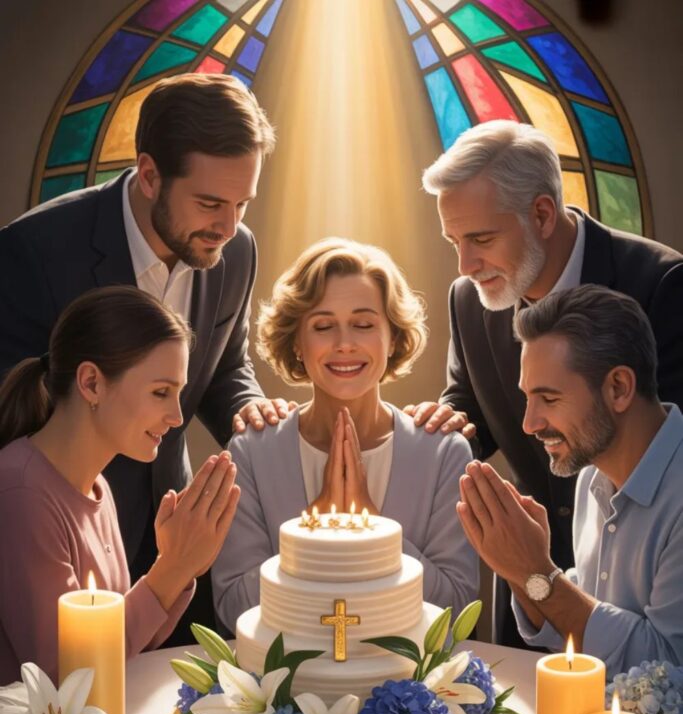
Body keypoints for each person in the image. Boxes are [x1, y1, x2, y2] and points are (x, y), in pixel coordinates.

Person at [0, 73, 281, 583]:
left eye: (243, 205)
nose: (227, 225)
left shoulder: (237, 250)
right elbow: (10, 416)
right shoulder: (32, 252)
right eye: (210, 203)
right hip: (57, 547)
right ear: (149, 175)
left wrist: (249, 409)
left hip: (175, 541)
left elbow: (224, 367)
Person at [421, 119, 683, 642]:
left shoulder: (662, 285)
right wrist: (435, 430)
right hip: (530, 588)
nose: (466, 264)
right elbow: (472, 404)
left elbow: (664, 455)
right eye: (454, 241)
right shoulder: (470, 299)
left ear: (541, 213)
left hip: (649, 581)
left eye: (480, 239)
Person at [211, 238, 479, 635]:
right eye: (323, 326)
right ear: (298, 344)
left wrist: (371, 528)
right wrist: (312, 534)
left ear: (393, 338)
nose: (344, 344)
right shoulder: (251, 451)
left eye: (364, 324)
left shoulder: (443, 452)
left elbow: (455, 612)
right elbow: (233, 610)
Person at [0, 286, 240, 685]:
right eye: (161, 392)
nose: (177, 416)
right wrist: (171, 568)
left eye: (178, 393)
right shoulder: (21, 494)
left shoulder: (97, 487)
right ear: (92, 383)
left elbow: (121, 648)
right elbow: (63, 679)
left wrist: (179, 568)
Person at [457, 285, 683, 677]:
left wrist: (535, 571)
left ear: (619, 388)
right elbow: (591, 625)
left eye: (548, 398)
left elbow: (666, 671)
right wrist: (518, 570)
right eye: (527, 398)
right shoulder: (592, 474)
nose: (530, 423)